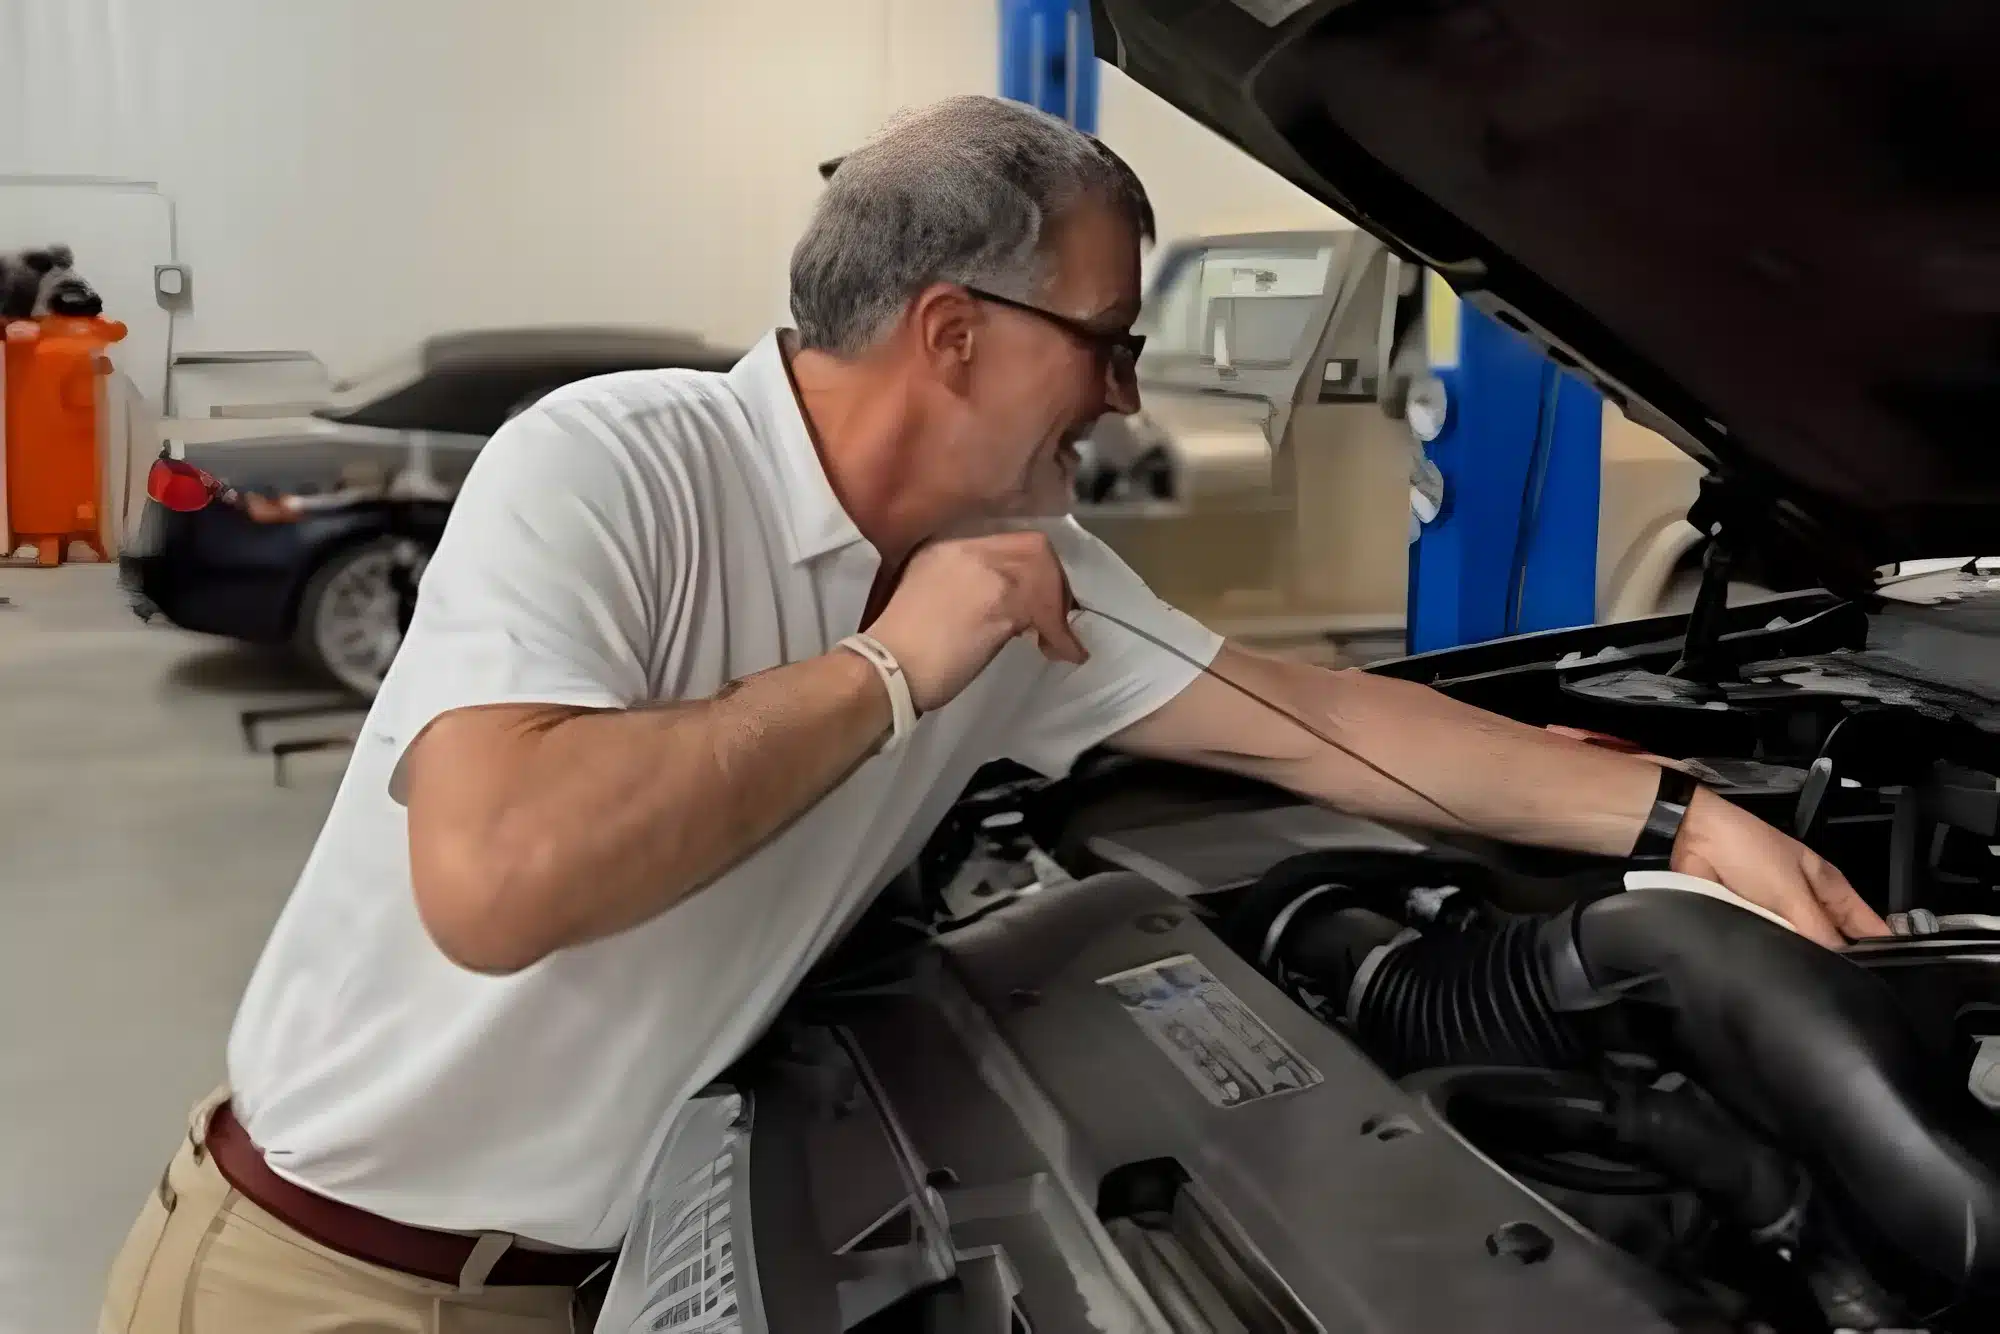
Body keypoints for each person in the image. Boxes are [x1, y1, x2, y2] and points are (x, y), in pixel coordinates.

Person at [99, 94, 1886, 1333]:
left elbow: (1310, 723)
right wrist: (895, 669)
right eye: (1103, 340)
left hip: (585, 1274)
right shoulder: (617, 466)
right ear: (953, 333)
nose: (1119, 395)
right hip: (319, 1277)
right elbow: (498, 875)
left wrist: (1680, 817)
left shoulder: (1022, 558)